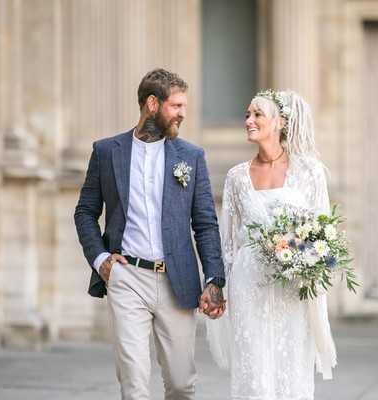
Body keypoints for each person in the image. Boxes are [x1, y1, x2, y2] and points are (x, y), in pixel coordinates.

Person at [74, 68, 226, 400]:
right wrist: (100, 259)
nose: (183, 114)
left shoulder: (191, 156)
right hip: (126, 276)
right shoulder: (106, 151)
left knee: (181, 383)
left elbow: (205, 224)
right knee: (134, 382)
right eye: (177, 106)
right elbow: (85, 212)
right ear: (153, 104)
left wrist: (214, 278)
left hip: (177, 279)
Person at [207, 89, 337, 400]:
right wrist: (220, 288)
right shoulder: (236, 177)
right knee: (253, 376)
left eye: (257, 115)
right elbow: (228, 242)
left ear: (279, 122)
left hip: (291, 288)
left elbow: (323, 233)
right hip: (248, 285)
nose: (249, 120)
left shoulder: (309, 172)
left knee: (291, 372)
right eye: (247, 115)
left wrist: (300, 258)